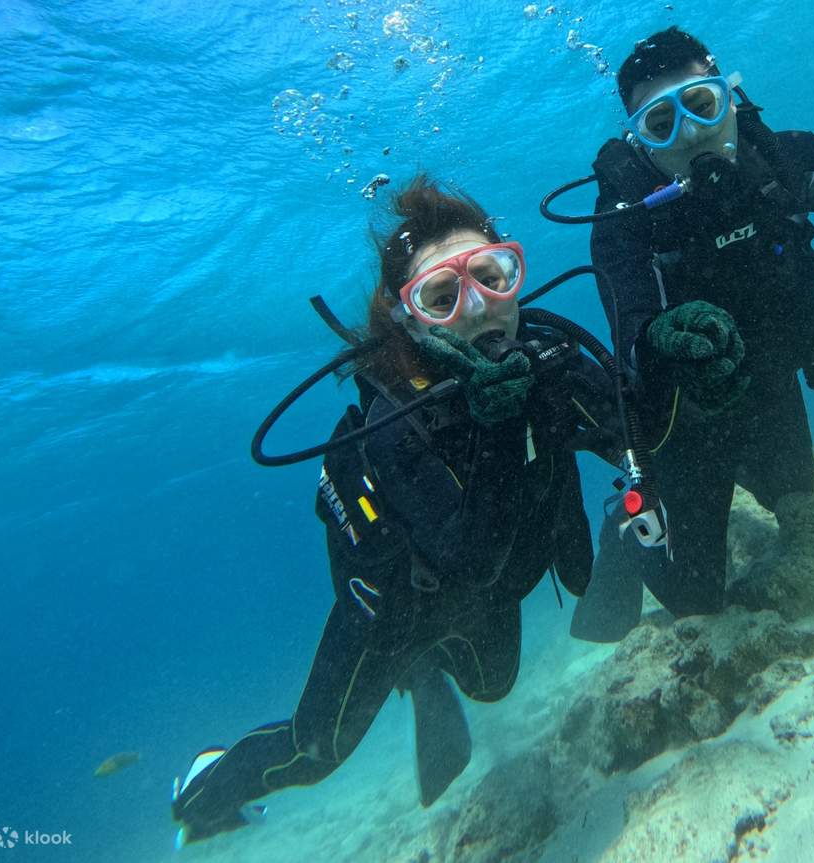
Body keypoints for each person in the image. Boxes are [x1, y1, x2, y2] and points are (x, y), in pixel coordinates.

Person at [171, 175, 621, 845]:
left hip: (489, 589)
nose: (476, 310)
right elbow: (465, 558)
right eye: (442, 296)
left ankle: (434, 669)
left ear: (513, 275)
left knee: (494, 685)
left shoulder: (546, 364)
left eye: (492, 276)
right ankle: (201, 791)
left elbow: (639, 434)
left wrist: (683, 367)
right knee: (313, 752)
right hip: (397, 609)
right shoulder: (394, 422)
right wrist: (499, 431)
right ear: (412, 318)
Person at [575, 15, 814, 623]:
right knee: (696, 603)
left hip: (772, 391)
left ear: (729, 97)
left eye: (700, 104)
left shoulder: (781, 160)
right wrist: (663, 341)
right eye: (662, 125)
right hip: (685, 425)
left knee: (801, 514)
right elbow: (632, 341)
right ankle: (629, 526)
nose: (690, 135)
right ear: (640, 142)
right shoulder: (625, 218)